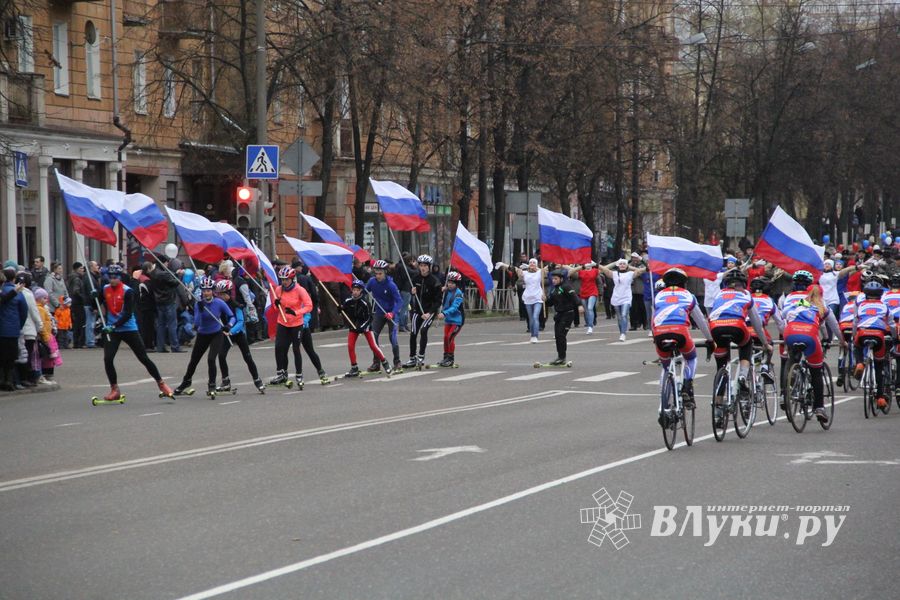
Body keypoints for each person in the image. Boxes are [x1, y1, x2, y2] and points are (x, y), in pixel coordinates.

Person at [95, 265, 173, 401]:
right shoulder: (105, 289)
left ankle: (161, 383)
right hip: (112, 330)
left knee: (143, 358)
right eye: (110, 277)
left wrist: (113, 326)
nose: (112, 280)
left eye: (115, 277)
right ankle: (114, 389)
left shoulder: (128, 291)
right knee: (108, 359)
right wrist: (93, 296)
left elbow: (127, 313)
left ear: (120, 278)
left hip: (128, 328)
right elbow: (95, 304)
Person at [708, 270, 772, 427]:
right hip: (737, 326)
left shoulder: (718, 294)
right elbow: (756, 322)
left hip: (716, 327)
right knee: (746, 345)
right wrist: (764, 343)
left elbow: (710, 314)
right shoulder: (745, 295)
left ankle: (717, 411)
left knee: (721, 368)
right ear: (744, 284)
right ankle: (743, 375)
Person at [651, 268, 715, 425]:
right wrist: (710, 340)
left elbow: (653, 319)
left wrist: (655, 338)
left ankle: (663, 406)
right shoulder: (688, 296)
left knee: (665, 368)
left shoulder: (658, 295)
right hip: (680, 332)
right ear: (684, 283)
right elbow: (700, 321)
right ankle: (687, 385)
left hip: (660, 333)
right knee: (691, 358)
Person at [782, 274, 845, 424]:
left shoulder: (799, 302)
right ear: (822, 295)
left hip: (790, 332)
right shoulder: (823, 307)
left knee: (793, 356)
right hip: (809, 335)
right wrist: (842, 341)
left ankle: (790, 385)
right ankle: (819, 408)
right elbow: (832, 326)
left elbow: (785, 315)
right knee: (816, 371)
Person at [173, 277, 235, 396]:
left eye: (208, 290)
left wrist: (228, 325)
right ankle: (186, 382)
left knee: (211, 359)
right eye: (204, 290)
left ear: (212, 291)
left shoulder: (219, 302)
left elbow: (232, 316)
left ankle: (212, 385)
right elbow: (197, 324)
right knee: (194, 361)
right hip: (203, 334)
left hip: (216, 334)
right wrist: (200, 310)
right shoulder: (198, 304)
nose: (206, 292)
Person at [214, 280, 264, 393]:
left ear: (228, 293)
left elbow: (240, 321)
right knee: (221, 356)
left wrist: (231, 331)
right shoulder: (218, 304)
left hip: (238, 333)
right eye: (219, 294)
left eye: (223, 294)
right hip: (226, 334)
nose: (220, 296)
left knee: (247, 358)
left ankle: (257, 380)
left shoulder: (236, 305)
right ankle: (226, 381)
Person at [268, 266, 315, 388]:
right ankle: (281, 373)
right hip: (283, 322)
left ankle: (299, 374)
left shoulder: (300, 290)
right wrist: (276, 304)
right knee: (279, 347)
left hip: (296, 323)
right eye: (282, 279)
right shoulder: (278, 290)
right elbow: (275, 307)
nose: (284, 282)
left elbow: (309, 306)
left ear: (292, 279)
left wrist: (297, 312)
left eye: (286, 279)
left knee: (296, 349)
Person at [852, 280, 892, 409]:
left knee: (857, 345)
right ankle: (880, 397)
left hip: (862, 333)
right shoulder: (884, 306)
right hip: (878, 335)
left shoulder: (861, 305)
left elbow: (854, 322)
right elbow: (891, 324)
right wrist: (895, 337)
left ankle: (859, 363)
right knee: (879, 366)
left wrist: (854, 336)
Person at [342, 279, 392, 377]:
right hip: (353, 326)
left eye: (357, 290)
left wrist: (362, 327)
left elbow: (369, 318)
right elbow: (344, 309)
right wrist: (340, 309)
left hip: (365, 326)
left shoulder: (365, 303)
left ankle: (385, 362)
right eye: (354, 290)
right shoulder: (348, 301)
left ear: (361, 291)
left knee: (373, 346)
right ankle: (354, 367)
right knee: (350, 346)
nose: (355, 292)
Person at [403, 255, 442, 368]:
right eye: (421, 265)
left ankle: (421, 356)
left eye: (425, 266)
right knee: (413, 332)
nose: (423, 268)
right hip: (417, 311)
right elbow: (412, 293)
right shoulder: (416, 278)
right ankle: (412, 358)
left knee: (424, 330)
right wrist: (412, 291)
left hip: (429, 312)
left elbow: (438, 301)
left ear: (429, 267)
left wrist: (429, 313)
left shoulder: (435, 281)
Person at [365, 260, 402, 371]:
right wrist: (360, 287)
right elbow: (365, 291)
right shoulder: (372, 282)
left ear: (385, 273)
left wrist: (392, 313)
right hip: (379, 313)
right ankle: (376, 363)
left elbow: (399, 301)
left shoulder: (391, 285)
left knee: (393, 338)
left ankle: (397, 362)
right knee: (374, 337)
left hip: (391, 313)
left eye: (380, 273)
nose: (378, 276)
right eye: (376, 273)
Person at [598, 258, 647, 341]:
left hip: (626, 298)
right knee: (619, 317)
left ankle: (623, 334)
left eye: (624, 264)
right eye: (620, 264)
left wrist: (631, 266)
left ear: (627, 265)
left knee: (624, 315)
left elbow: (642, 270)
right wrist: (614, 262)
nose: (622, 265)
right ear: (618, 265)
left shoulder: (630, 274)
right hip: (616, 297)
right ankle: (621, 333)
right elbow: (603, 269)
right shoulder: (614, 274)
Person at [500, 258, 547, 343]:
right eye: (531, 262)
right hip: (528, 298)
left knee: (535, 316)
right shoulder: (524, 273)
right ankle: (532, 335)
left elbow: (548, 268)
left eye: (534, 262)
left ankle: (535, 336)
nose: (532, 264)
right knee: (531, 318)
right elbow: (513, 268)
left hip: (538, 298)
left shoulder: (540, 272)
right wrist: (503, 264)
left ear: (536, 264)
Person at [748, 277, 783, 383]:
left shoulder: (747, 297)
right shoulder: (769, 300)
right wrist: (784, 336)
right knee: (769, 345)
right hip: (759, 329)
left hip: (743, 328)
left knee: (744, 353)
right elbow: (779, 322)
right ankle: (765, 366)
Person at [544, 269, 580, 365]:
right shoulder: (554, 289)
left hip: (568, 313)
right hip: (559, 315)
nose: (554, 281)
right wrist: (545, 300)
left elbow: (574, 297)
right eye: (553, 279)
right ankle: (560, 357)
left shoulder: (566, 287)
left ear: (561, 279)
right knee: (557, 336)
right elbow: (550, 303)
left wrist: (580, 306)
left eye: (556, 279)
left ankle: (562, 357)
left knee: (561, 335)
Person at [0, 269, 27, 390]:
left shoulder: (6, 291)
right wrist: (19, 325)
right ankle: (9, 381)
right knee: (11, 357)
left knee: (2, 356)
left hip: (3, 329)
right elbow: (24, 311)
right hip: (12, 329)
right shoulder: (19, 293)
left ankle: (3, 380)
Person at [149, 258, 183, 353]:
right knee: (172, 324)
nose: (168, 264)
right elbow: (175, 282)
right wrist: (179, 276)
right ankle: (175, 346)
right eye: (167, 262)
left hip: (159, 301)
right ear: (163, 262)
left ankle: (160, 346)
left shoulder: (154, 273)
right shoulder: (164, 274)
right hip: (168, 301)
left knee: (161, 325)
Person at [437, 271, 465, 367]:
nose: (450, 284)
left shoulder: (458, 294)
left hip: (457, 321)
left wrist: (444, 313)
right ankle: (445, 357)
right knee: (445, 338)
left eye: (452, 283)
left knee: (450, 337)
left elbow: (454, 307)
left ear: (457, 284)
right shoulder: (446, 291)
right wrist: (441, 290)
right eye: (449, 282)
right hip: (448, 320)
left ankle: (450, 358)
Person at [835, 290, 863, 387]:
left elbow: (840, 318)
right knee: (856, 345)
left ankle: (840, 372)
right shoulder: (860, 305)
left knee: (843, 347)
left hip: (843, 326)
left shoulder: (846, 306)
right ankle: (853, 366)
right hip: (853, 326)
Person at [33, 288, 59, 384]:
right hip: (45, 336)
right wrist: (45, 336)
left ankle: (48, 376)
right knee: (47, 357)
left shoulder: (44, 308)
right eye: (44, 298)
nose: (46, 300)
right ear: (38, 299)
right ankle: (46, 376)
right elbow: (42, 324)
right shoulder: (40, 309)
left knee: (51, 356)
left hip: (49, 335)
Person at [569, 262, 600, 334]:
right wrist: (563, 265)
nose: (588, 265)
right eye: (586, 264)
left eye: (589, 264)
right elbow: (571, 270)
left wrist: (596, 265)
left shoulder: (595, 271)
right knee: (585, 310)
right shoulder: (581, 272)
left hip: (593, 292)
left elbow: (606, 269)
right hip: (583, 293)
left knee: (590, 308)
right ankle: (588, 324)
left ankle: (590, 327)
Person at [82, 261, 103, 349]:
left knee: (91, 322)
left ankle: (91, 340)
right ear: (91, 267)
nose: (97, 267)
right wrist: (93, 306)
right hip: (89, 303)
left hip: (91, 303)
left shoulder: (93, 277)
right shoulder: (89, 278)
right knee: (90, 323)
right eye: (96, 265)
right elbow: (92, 292)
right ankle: (90, 341)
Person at [67, 262, 86, 348]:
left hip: (73, 303)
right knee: (79, 323)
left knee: (76, 323)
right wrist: (83, 297)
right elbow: (76, 291)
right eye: (81, 268)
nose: (83, 270)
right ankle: (78, 342)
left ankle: (76, 341)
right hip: (77, 303)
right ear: (76, 269)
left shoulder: (71, 278)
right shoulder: (77, 279)